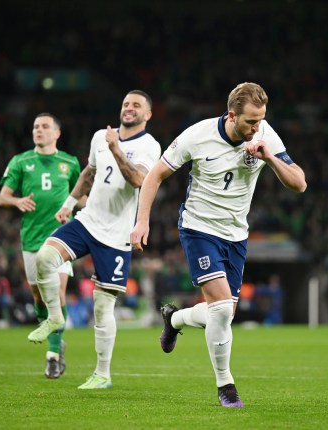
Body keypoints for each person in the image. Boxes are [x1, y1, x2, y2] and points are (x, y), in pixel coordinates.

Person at [130, 82, 307, 407]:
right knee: (223, 309)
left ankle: (175, 319)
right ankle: (226, 386)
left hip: (236, 235)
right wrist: (142, 221)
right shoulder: (197, 136)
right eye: (251, 122)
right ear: (231, 115)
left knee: (222, 313)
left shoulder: (264, 134)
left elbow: (299, 183)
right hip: (199, 229)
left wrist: (269, 156)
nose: (257, 127)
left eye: (261, 120)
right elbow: (155, 175)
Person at [26, 90, 161, 389]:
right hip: (88, 221)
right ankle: (55, 318)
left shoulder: (149, 145)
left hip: (116, 235)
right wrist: (69, 204)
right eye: (126, 103)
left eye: (136, 105)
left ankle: (102, 373)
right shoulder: (102, 136)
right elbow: (89, 172)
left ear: (147, 115)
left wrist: (116, 150)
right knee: (45, 258)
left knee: (102, 308)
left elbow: (139, 180)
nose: (129, 108)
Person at [0, 113, 81, 379]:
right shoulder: (20, 161)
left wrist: (86, 207)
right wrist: (17, 201)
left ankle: (53, 356)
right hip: (32, 239)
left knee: (56, 295)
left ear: (57, 133)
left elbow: (82, 196)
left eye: (45, 126)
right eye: (35, 126)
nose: (39, 130)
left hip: (62, 239)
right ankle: (56, 339)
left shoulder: (70, 162)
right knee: (39, 299)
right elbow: (3, 196)